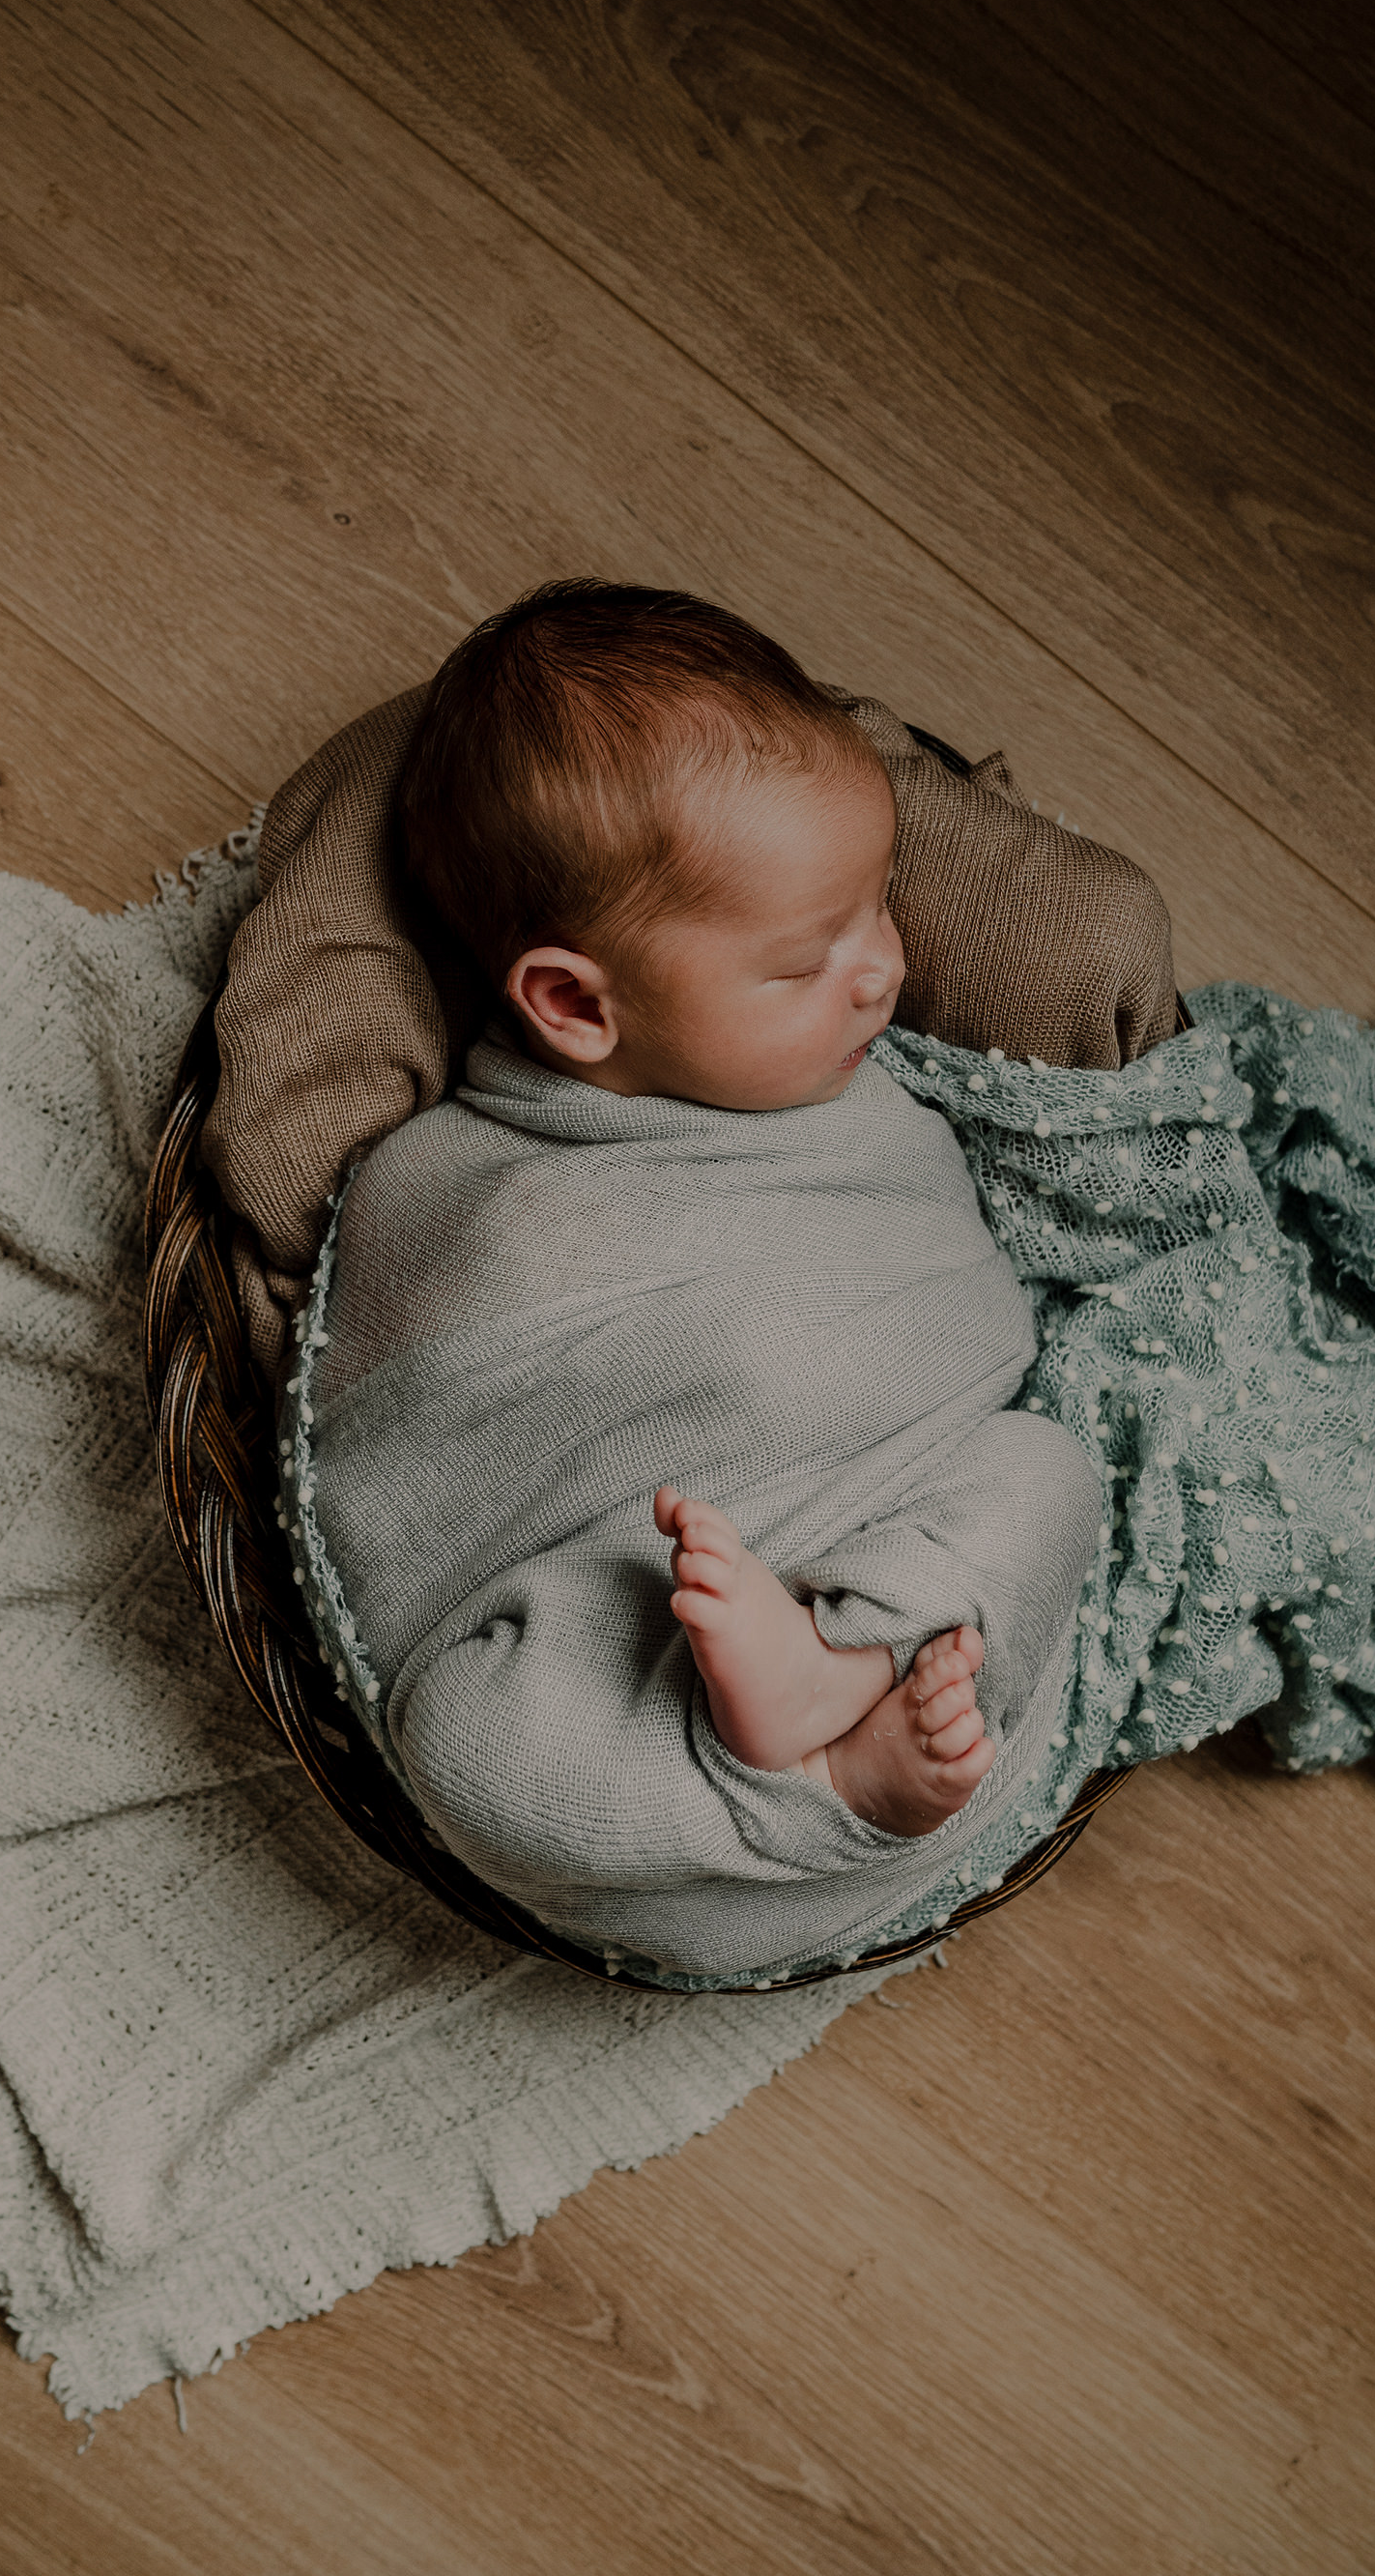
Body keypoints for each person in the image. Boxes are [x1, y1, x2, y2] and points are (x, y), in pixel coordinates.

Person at [285, 582, 1105, 1977]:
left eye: (876, 907)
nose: (881, 972)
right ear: (575, 1005)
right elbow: (422, 1405)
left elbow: (941, 1321)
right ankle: (826, 1796)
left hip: (892, 1545)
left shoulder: (856, 1076)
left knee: (1052, 1472)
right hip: (635, 1725)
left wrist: (864, 1598)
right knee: (472, 1749)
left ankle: (843, 1681)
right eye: (806, 961)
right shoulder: (454, 1180)